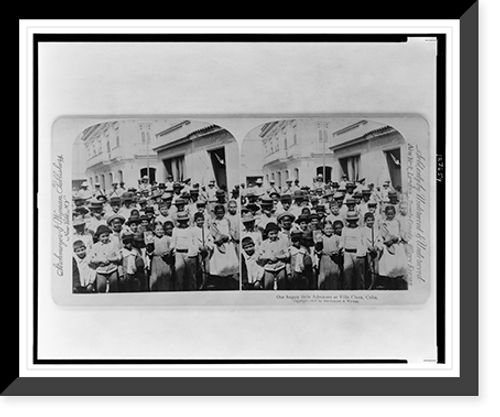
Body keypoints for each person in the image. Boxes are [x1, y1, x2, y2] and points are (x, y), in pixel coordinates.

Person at [207, 204, 239, 290]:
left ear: (224, 213)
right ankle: (220, 282)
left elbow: (231, 231)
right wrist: (217, 240)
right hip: (218, 244)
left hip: (227, 243)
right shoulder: (213, 222)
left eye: (221, 213)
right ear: (215, 213)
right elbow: (211, 233)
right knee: (219, 265)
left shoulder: (227, 221)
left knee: (228, 263)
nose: (220, 215)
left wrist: (227, 237)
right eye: (218, 213)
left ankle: (228, 281)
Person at [378, 205, 408, 290]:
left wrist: (397, 238)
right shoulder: (383, 223)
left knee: (397, 265)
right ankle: (389, 283)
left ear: (395, 213)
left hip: (397, 245)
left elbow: (401, 233)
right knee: (389, 266)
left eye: (392, 214)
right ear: (386, 214)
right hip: (388, 246)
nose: (390, 216)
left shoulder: (398, 222)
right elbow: (381, 234)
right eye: (388, 214)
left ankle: (397, 283)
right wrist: (386, 241)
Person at [90, 224, 122, 293]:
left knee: (114, 288)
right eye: (103, 236)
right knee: (101, 288)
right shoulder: (95, 246)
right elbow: (91, 260)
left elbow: (119, 257)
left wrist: (111, 259)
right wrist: (100, 260)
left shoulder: (113, 244)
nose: (105, 238)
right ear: (98, 237)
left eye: (107, 236)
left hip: (112, 269)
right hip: (101, 271)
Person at [257, 222, 289, 290]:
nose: (274, 236)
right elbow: (259, 257)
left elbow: (287, 254)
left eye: (275, 233)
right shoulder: (264, 243)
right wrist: (268, 257)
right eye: (271, 234)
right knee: (268, 286)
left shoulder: (282, 242)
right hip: (269, 268)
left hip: (280, 267)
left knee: (282, 286)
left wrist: (278, 257)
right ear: (267, 234)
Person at [171, 212, 198, 291]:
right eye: (181, 221)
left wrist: (195, 252)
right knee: (179, 276)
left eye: (185, 221)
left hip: (189, 254)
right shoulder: (175, 230)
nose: (183, 223)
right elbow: (173, 241)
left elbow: (195, 243)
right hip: (179, 254)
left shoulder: (192, 229)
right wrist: (171, 248)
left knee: (192, 277)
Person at [340, 212, 367, 290]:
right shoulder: (344, 229)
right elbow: (342, 241)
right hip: (347, 253)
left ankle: (360, 293)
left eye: (354, 221)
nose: (352, 223)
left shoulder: (361, 229)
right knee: (347, 275)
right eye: (350, 221)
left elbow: (364, 242)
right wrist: (339, 249)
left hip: (358, 254)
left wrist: (363, 252)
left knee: (360, 276)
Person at [146, 222, 174, 291]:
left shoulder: (167, 238)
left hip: (165, 260)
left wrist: (168, 253)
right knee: (155, 277)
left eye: (161, 229)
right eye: (157, 230)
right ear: (154, 231)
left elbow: (171, 247)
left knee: (165, 276)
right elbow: (149, 251)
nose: (159, 231)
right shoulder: (152, 239)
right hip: (155, 259)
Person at [315, 221, 342, 290]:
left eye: (330, 228)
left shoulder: (337, 237)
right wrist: (318, 242)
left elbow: (341, 245)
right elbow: (318, 250)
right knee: (324, 277)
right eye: (327, 229)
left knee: (334, 276)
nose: (329, 230)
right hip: (324, 259)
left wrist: (338, 250)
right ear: (323, 230)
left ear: (333, 229)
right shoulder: (321, 238)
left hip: (334, 260)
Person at [191, 212, 212, 289]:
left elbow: (210, 240)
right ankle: (198, 284)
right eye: (198, 220)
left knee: (207, 268)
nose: (200, 222)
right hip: (197, 252)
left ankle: (205, 283)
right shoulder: (192, 230)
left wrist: (208, 246)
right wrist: (198, 248)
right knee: (199, 268)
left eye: (202, 220)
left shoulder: (206, 230)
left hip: (206, 251)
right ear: (195, 221)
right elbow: (192, 242)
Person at [363, 212, 383, 290]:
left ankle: (374, 283)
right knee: (369, 267)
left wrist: (377, 246)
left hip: (375, 251)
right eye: (368, 220)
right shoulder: (363, 230)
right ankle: (368, 284)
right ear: (365, 221)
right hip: (367, 252)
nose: (370, 222)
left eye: (372, 220)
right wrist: (368, 247)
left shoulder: (376, 230)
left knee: (375, 267)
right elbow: (362, 241)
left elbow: (380, 240)